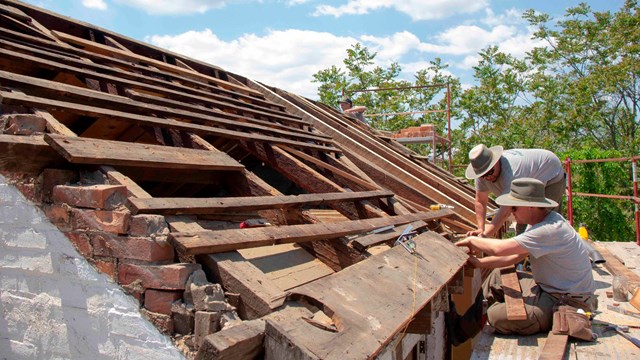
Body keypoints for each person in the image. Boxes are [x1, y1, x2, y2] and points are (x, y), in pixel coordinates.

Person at [447, 178, 596, 345]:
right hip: (550, 290)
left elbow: (501, 248)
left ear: (531, 206)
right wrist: (481, 263)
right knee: (497, 277)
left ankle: (495, 317)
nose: (511, 212)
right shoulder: (541, 222)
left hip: (565, 302)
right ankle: (459, 331)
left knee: (495, 316)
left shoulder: (548, 230)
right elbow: (515, 256)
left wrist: (474, 241)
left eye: (514, 207)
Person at [465, 144, 565, 237]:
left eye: (490, 172)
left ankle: (556, 251)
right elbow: (480, 201)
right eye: (483, 175)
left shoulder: (512, 171)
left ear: (497, 161)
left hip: (550, 172)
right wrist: (480, 229)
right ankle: (524, 252)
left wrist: (485, 236)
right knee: (522, 221)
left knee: (545, 222)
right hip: (528, 180)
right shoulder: (481, 174)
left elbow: (506, 210)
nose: (488, 177)